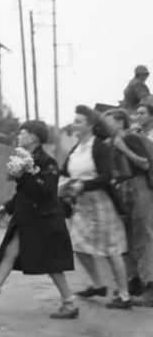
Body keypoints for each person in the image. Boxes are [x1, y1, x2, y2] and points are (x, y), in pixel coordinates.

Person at [0, 120, 78, 318]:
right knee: (10, 252)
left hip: (45, 220)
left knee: (52, 264)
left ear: (34, 137)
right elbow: (23, 193)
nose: (19, 136)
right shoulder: (22, 159)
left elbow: (47, 193)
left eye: (23, 132)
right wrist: (8, 206)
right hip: (27, 218)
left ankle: (69, 303)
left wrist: (29, 171)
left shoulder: (47, 162)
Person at [60, 105, 132, 309]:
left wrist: (83, 184)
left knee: (111, 250)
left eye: (79, 121)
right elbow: (65, 171)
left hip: (101, 203)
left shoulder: (100, 147)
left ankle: (124, 295)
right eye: (74, 120)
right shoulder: (76, 149)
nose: (75, 124)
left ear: (90, 125)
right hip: (81, 205)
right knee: (78, 245)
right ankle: (98, 285)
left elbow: (106, 177)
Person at [104, 109, 153, 304]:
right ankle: (136, 282)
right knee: (129, 237)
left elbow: (144, 165)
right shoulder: (112, 142)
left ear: (119, 122)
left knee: (144, 236)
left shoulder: (130, 138)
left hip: (139, 187)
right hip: (126, 188)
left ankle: (150, 287)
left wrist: (122, 147)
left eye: (108, 122)